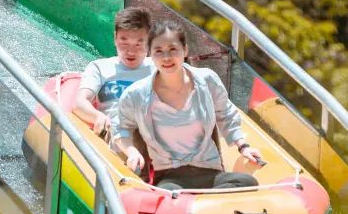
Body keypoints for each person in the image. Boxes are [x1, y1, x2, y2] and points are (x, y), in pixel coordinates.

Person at [113, 20, 264, 190]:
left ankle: (207, 200)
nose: (166, 57)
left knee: (247, 182)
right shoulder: (136, 94)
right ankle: (206, 201)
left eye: (173, 49)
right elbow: (120, 128)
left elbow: (226, 114)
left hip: (211, 172)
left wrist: (243, 146)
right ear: (150, 54)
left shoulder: (207, 79)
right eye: (159, 51)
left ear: (185, 50)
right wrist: (131, 152)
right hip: (171, 178)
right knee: (171, 195)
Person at [74, 7, 154, 136]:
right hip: (117, 131)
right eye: (124, 42)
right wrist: (98, 117)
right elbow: (80, 102)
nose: (131, 52)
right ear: (115, 38)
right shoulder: (100, 67)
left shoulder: (160, 68)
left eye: (138, 44)